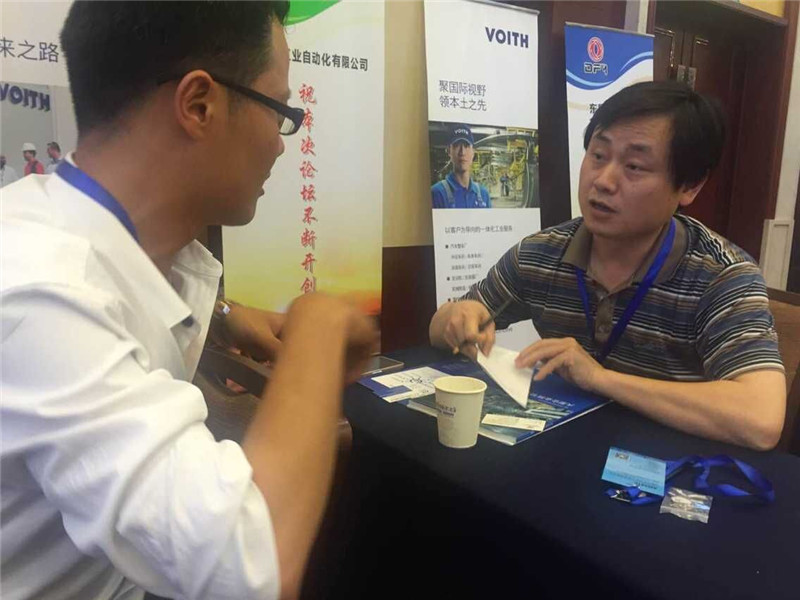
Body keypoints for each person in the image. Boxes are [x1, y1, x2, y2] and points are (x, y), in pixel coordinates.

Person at [1, 2, 378, 600]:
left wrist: (222, 317)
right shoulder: (40, 290)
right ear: (199, 105)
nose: (282, 146)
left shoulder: (90, 234)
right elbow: (249, 566)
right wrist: (320, 322)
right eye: (280, 112)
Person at [430, 81, 786, 451]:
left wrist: (600, 379)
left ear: (690, 186)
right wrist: (457, 317)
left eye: (634, 166)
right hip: (562, 455)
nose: (602, 181)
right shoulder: (540, 253)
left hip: (666, 468)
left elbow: (761, 419)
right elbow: (440, 328)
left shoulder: (721, 275)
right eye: (598, 155)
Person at [431, 124, 491, 208]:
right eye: (456, 146)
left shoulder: (484, 195)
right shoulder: (437, 194)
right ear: (449, 151)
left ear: (473, 152)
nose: (462, 152)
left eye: (466, 146)